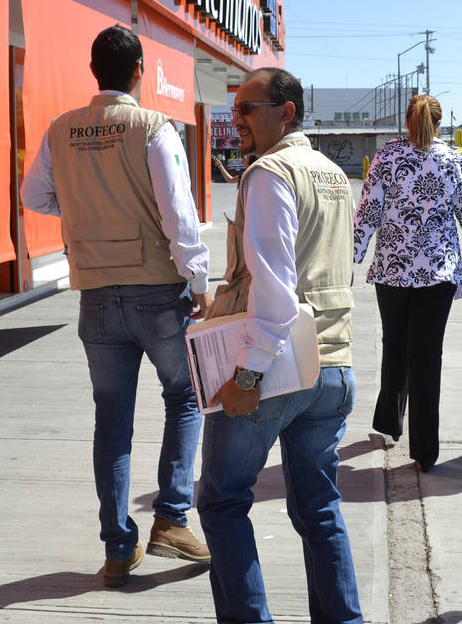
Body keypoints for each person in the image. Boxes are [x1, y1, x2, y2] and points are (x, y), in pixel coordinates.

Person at [20, 24, 213, 588]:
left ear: (93, 71)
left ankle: (116, 546)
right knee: (184, 397)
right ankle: (172, 520)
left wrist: (82, 210)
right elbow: (178, 213)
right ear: (139, 72)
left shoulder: (61, 129)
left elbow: (34, 196)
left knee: (112, 420)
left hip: (96, 296)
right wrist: (197, 278)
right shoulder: (155, 127)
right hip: (157, 291)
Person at [197, 67, 362, 624]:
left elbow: (275, 290)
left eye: (248, 108)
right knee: (319, 509)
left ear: (286, 111)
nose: (236, 118)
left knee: (222, 503)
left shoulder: (269, 173)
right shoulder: (333, 173)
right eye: (235, 108)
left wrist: (247, 379)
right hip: (332, 366)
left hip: (275, 371)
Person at [352, 94, 462, 471]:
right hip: (437, 272)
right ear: (439, 123)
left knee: (394, 344)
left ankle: (388, 422)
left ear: (406, 121)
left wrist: (352, 256)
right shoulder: (452, 160)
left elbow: (368, 211)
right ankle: (425, 450)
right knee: (428, 355)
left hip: (392, 271)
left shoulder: (385, 157)